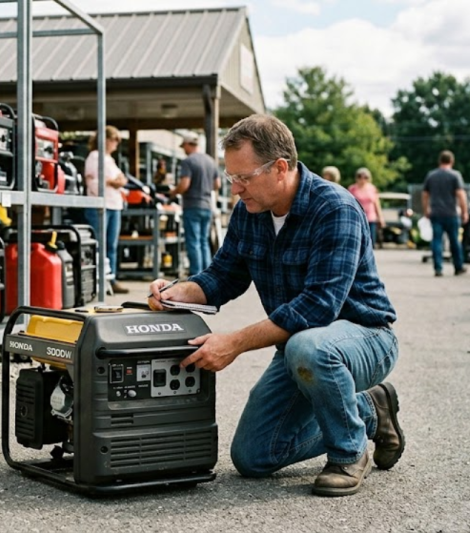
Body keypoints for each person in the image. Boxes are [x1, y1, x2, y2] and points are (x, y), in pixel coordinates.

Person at [148, 114, 403, 497]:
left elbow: (318, 307)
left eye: (244, 177)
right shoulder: (249, 212)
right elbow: (222, 277)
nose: (235, 188)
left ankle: (349, 451)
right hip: (302, 348)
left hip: (364, 339)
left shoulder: (336, 208)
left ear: (280, 168)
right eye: (231, 177)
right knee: (253, 457)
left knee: (308, 345)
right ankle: (370, 409)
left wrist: (233, 343)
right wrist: (176, 291)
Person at [83, 126, 129, 294]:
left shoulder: (109, 158)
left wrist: (115, 181)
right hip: (100, 205)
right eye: (113, 140)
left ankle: (111, 278)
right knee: (100, 244)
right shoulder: (94, 157)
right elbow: (92, 181)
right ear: (105, 140)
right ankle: (98, 279)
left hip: (114, 204)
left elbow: (121, 178)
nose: (115, 144)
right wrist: (111, 182)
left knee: (111, 244)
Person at [168, 133, 220, 276]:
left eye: (183, 146)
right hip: (207, 205)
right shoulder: (211, 161)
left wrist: (173, 192)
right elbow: (217, 184)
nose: (183, 149)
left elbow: (185, 184)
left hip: (192, 205)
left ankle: (196, 274)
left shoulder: (188, 161)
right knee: (204, 241)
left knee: (193, 241)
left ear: (188, 144)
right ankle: (209, 274)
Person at [422, 150, 470, 276]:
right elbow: (461, 195)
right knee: (454, 241)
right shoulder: (455, 175)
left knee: (437, 240)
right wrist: (464, 212)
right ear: (452, 161)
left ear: (440, 161)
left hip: (436, 213)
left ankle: (438, 268)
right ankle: (458, 267)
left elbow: (425, 194)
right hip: (451, 213)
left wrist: (426, 209)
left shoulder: (431, 175)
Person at [348, 167, 385, 248]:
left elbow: (376, 203)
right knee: (358, 240)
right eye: (360, 176)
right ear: (357, 177)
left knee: (370, 241)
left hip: (371, 218)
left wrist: (380, 217)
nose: (362, 179)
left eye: (365, 177)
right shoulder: (352, 189)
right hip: (357, 217)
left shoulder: (372, 188)